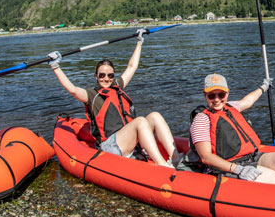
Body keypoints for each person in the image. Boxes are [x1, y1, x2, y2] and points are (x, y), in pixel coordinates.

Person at [49, 30, 179, 167]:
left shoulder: (117, 87)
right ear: (96, 76)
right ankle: (161, 165)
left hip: (126, 140)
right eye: (102, 75)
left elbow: (131, 67)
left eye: (110, 75)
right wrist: (55, 67)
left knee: (155, 116)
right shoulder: (91, 95)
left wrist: (139, 43)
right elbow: (73, 90)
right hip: (110, 146)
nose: (106, 78)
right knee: (140, 121)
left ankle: (176, 158)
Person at [187, 73, 275, 186]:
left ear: (227, 93)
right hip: (231, 165)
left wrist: (263, 87)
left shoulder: (229, 107)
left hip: (252, 157)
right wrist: (238, 169)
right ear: (205, 96)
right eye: (211, 96)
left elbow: (247, 101)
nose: (217, 99)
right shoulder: (201, 119)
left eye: (221, 94)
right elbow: (206, 157)